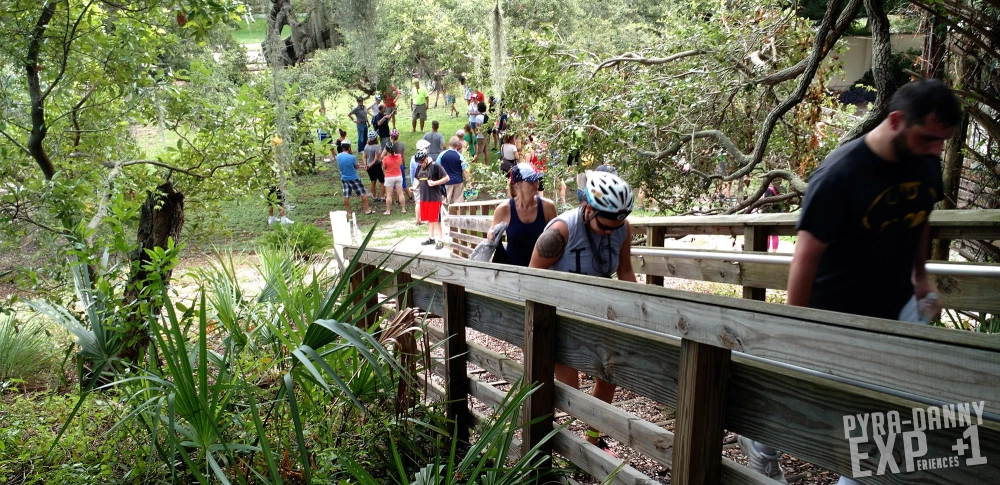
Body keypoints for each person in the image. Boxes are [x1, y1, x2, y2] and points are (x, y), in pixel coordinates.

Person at [738, 79, 962, 485]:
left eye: (942, 141)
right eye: (929, 138)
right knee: (806, 397)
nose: (937, 150)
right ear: (896, 121)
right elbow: (805, 256)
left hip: (896, 309)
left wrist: (921, 275)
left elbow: (919, 217)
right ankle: (762, 442)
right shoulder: (841, 173)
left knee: (887, 413)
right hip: (835, 313)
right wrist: (800, 325)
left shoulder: (925, 162)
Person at [529, 171, 636, 453]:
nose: (612, 231)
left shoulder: (622, 229)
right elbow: (533, 275)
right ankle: (553, 437)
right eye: (605, 225)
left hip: (601, 312)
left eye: (618, 224)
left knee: (608, 375)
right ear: (589, 210)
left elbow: (625, 270)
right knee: (569, 385)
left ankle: (591, 438)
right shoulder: (560, 231)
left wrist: (636, 311)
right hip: (560, 316)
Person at [487, 163, 557, 266]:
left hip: (542, 271)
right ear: (517, 185)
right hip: (513, 272)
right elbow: (492, 231)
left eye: (537, 179)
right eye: (531, 180)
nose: (536, 183)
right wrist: (491, 234)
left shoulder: (548, 207)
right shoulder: (504, 209)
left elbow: (558, 239)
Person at [415, 148, 450, 249]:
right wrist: (414, 187)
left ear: (426, 158)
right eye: (418, 162)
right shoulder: (420, 167)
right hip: (424, 197)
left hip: (434, 197)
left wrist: (435, 183)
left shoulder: (435, 166)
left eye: (421, 161)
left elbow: (447, 178)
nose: (420, 164)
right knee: (429, 219)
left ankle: (440, 240)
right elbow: (417, 178)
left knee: (436, 219)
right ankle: (431, 238)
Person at [335, 141, 373, 215]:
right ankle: (367, 210)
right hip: (354, 177)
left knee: (346, 195)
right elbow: (357, 166)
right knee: (362, 193)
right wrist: (358, 164)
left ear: (342, 147)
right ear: (349, 147)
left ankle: (348, 212)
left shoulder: (338, 156)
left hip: (344, 178)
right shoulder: (352, 157)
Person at [380, 141, 407, 215]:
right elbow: (400, 164)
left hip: (389, 177)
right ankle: (403, 209)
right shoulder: (399, 156)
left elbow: (384, 168)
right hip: (398, 176)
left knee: (388, 195)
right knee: (401, 193)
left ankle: (388, 211)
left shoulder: (385, 158)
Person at [438, 137, 466, 205]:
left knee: (444, 202)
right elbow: (465, 170)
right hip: (458, 181)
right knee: (458, 203)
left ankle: (443, 215)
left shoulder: (442, 155)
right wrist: (468, 181)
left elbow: (437, 167)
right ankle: (458, 215)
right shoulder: (461, 156)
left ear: (449, 144)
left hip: (446, 182)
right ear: (458, 145)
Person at [411, 139, 431, 224]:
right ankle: (424, 218)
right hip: (423, 182)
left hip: (415, 181)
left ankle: (417, 219)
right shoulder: (428, 159)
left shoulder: (413, 158)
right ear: (425, 148)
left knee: (418, 202)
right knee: (425, 200)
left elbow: (412, 171)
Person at [363, 132, 386, 203]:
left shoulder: (366, 146)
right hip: (376, 166)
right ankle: (382, 197)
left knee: (373, 181)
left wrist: (366, 165)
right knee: (382, 181)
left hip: (369, 167)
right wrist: (370, 165)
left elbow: (364, 156)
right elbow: (376, 159)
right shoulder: (376, 146)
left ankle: (374, 197)